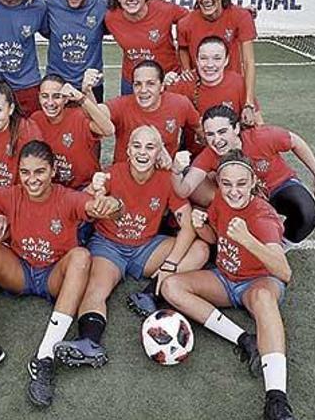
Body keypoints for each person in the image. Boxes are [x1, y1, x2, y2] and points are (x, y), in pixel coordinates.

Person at [0, 140, 123, 406]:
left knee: (81, 256)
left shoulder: (68, 197)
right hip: (20, 270)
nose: (32, 179)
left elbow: (103, 209)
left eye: (39, 172)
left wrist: (112, 205)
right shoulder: (10, 194)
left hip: (54, 275)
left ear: (53, 171)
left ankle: (44, 358)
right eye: (25, 172)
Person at [53, 125, 209, 368]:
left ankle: (148, 293)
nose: (142, 152)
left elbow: (187, 225)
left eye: (150, 147)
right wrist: (93, 191)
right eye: (137, 146)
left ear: (159, 152)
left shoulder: (166, 178)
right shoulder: (111, 174)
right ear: (127, 150)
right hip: (109, 246)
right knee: (95, 289)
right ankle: (88, 342)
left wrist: (169, 265)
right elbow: (81, 207)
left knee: (200, 250)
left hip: (146, 247)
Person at [162, 150, 296, 420]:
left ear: (253, 183)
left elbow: (284, 272)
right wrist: (201, 226)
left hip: (257, 282)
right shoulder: (219, 202)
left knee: (263, 301)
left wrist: (248, 240)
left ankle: (277, 400)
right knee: (170, 287)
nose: (234, 191)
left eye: (241, 184)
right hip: (225, 278)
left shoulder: (262, 216)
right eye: (227, 184)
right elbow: (214, 238)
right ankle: (244, 339)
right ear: (218, 182)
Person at [172, 105, 315, 247]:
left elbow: (295, 142)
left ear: (236, 129)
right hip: (244, 198)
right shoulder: (208, 155)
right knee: (228, 227)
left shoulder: (262, 137)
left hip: (279, 186)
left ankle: (280, 247)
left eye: (222, 132)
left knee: (307, 213)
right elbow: (186, 189)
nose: (217, 140)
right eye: (210, 134)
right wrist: (176, 170)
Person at [40, 0, 171, 102]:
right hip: (58, 84)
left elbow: (134, 7)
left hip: (91, 85)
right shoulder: (50, 4)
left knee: (94, 123)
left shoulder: (102, 5)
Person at [177, 0, 261, 125]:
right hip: (203, 90)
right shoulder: (185, 23)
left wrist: (249, 102)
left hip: (235, 89)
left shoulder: (241, 16)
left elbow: (249, 62)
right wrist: (186, 69)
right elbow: (182, 48)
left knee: (258, 132)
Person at [104, 0, 188, 95]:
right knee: (130, 115)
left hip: (167, 78)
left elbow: (194, 21)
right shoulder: (111, 18)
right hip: (133, 81)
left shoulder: (165, 10)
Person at [100, 60, 201, 164]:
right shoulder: (121, 105)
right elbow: (98, 112)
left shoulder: (180, 103)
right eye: (138, 84)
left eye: (150, 84)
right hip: (125, 174)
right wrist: (85, 96)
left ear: (162, 86)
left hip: (162, 172)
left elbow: (201, 130)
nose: (143, 90)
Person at [30, 71, 114, 190]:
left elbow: (108, 130)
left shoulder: (77, 116)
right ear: (38, 96)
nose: (50, 102)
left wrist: (81, 98)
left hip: (85, 187)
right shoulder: (35, 120)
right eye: (45, 96)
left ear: (66, 99)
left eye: (56, 96)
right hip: (53, 189)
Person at [167, 36, 248, 154]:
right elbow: (160, 114)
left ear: (226, 60)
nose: (210, 65)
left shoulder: (238, 83)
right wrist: (163, 84)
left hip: (231, 154)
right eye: (204, 58)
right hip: (196, 155)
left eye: (217, 58)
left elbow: (255, 118)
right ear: (197, 60)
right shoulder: (183, 84)